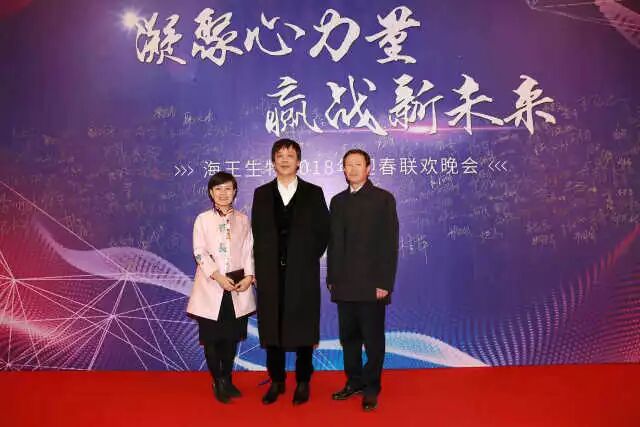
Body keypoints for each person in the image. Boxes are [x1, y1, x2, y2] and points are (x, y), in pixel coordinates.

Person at [251, 138, 330, 405]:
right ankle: (277, 381)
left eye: (290, 155)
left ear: (298, 161)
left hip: (302, 272)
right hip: (270, 273)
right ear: (273, 162)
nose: (285, 159)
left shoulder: (313, 192)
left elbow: (324, 232)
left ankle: (303, 381)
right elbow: (257, 233)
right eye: (280, 155)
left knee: (303, 325)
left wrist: (305, 257)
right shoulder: (261, 194)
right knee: (272, 326)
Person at [327, 149, 399, 411]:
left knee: (373, 340)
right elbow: (334, 244)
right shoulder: (337, 201)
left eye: (358, 164)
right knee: (349, 339)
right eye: (348, 165)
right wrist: (332, 278)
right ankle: (354, 381)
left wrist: (384, 283)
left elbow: (389, 244)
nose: (353, 169)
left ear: (369, 168)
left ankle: (371, 387)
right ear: (343, 170)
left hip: (372, 285)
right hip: (344, 283)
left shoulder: (383, 199)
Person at [187, 171, 256, 404]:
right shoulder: (203, 219)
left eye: (228, 188)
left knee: (230, 338)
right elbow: (199, 251)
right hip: (211, 287)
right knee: (212, 339)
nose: (223, 193)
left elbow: (248, 251)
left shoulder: (243, 220)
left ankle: (227, 379)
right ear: (211, 193)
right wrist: (217, 276)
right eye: (218, 189)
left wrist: (249, 276)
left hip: (236, 288)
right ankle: (217, 380)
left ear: (235, 192)